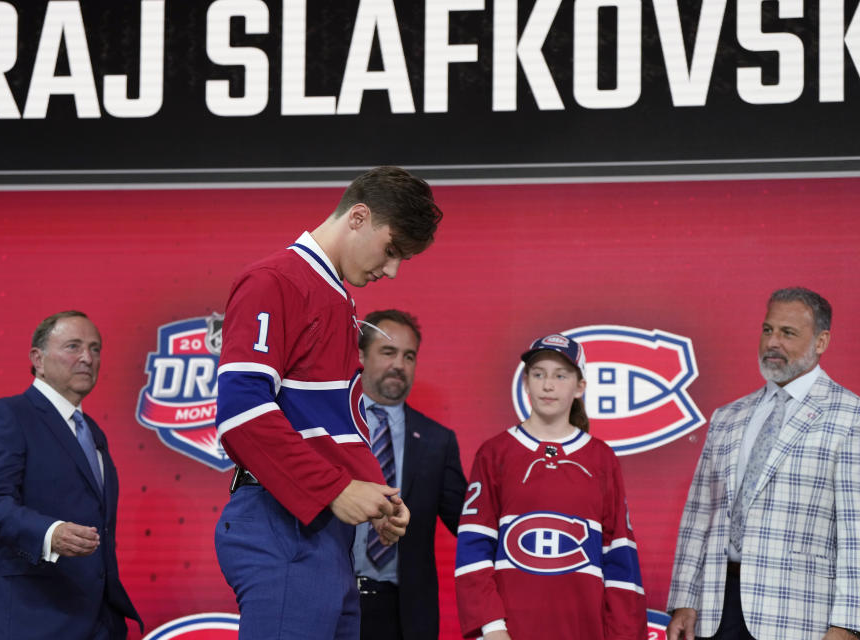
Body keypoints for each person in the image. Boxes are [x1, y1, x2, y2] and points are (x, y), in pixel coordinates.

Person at [213, 166, 444, 639]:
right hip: (280, 521)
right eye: (392, 250)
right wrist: (336, 489)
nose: (393, 270)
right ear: (358, 217)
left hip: (323, 535)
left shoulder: (336, 298)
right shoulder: (274, 280)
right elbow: (241, 413)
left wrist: (377, 495)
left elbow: (331, 418)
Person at [667, 287, 860, 640]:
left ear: (821, 342)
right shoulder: (728, 417)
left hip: (801, 618)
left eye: (788, 333)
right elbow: (699, 516)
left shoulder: (851, 417)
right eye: (768, 330)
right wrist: (684, 599)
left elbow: (857, 532)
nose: (773, 342)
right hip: (715, 612)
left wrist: (849, 623)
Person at [455, 334, 647, 640]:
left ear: (580, 386)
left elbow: (620, 558)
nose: (548, 385)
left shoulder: (601, 458)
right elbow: (473, 547)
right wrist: (491, 628)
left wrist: (623, 634)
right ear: (526, 382)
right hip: (510, 632)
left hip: (584, 629)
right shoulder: (495, 453)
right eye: (538, 374)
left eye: (561, 375)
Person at [0, 311, 142, 639]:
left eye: (95, 349)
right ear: (38, 359)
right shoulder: (7, 415)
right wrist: (50, 533)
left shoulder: (92, 432)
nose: (87, 358)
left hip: (96, 622)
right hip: (28, 619)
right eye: (73, 346)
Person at [354, 309, 467, 640]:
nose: (399, 365)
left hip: (405, 615)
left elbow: (467, 521)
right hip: (331, 603)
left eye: (409, 356)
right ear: (360, 355)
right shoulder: (329, 427)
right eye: (388, 352)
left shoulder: (437, 440)